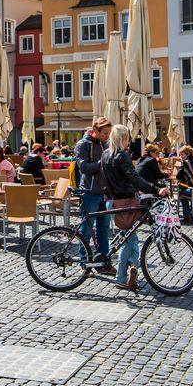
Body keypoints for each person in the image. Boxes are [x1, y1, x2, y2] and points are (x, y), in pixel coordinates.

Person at [102, 124, 170, 291]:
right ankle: (121, 277)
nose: (129, 141)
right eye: (128, 138)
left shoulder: (105, 155)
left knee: (130, 236)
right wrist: (156, 189)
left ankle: (133, 267)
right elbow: (134, 179)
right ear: (123, 138)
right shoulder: (122, 156)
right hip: (128, 201)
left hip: (114, 199)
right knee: (129, 238)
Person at [74, 117, 114, 275]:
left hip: (105, 193)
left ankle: (102, 263)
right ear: (95, 131)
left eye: (109, 133)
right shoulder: (83, 145)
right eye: (105, 133)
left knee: (103, 231)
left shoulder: (106, 144)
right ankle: (84, 264)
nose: (107, 136)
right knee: (85, 230)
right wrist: (101, 163)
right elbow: (83, 167)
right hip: (89, 192)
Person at [175, 145, 193, 222]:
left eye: (182, 154)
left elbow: (179, 177)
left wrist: (178, 170)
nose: (180, 156)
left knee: (181, 193)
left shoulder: (185, 163)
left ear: (187, 154)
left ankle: (187, 216)